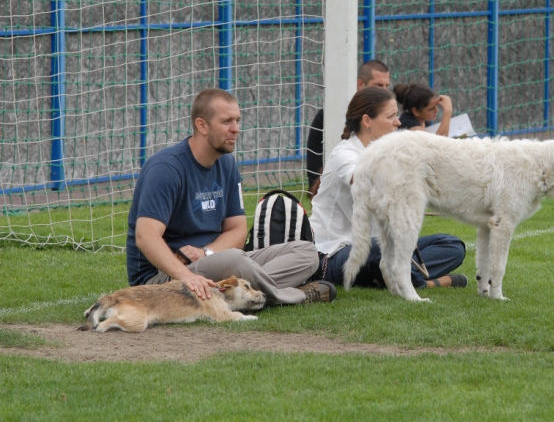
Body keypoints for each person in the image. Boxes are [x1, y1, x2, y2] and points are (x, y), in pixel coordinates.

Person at [126, 88, 335, 306]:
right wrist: (187, 275)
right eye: (227, 121)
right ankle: (293, 296)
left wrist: (206, 252)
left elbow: (237, 230)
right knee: (236, 260)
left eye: (237, 120)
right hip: (164, 278)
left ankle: (233, 295)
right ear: (202, 125)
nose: (235, 129)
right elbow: (146, 237)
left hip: (215, 260)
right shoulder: (166, 168)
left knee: (307, 252)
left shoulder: (226, 164)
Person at [309, 87, 467, 289]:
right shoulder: (345, 153)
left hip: (375, 249)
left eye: (396, 115)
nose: (398, 122)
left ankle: (387, 277)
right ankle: (427, 283)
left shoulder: (386, 153)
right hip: (332, 255)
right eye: (391, 116)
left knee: (452, 245)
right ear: (367, 121)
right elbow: (362, 180)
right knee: (379, 247)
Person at [306, 59, 391, 197]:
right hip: (328, 182)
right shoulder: (338, 114)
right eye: (379, 85)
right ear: (360, 84)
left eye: (387, 86)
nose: (384, 91)